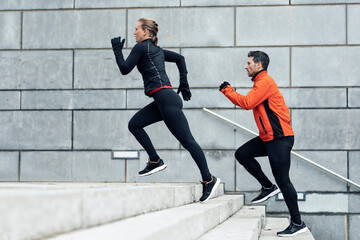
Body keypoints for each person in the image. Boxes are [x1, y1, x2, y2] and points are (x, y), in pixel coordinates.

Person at [111, 17, 220, 203]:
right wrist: (184, 82)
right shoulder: (155, 50)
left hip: (166, 100)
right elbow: (180, 59)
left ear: (146, 32)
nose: (134, 32)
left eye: (136, 29)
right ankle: (154, 160)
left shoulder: (141, 47)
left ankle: (208, 179)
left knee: (188, 141)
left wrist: (117, 51)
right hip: (164, 100)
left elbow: (124, 69)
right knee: (135, 124)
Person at [219, 51, 307, 237]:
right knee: (242, 154)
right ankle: (267, 187)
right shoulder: (260, 82)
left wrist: (228, 90)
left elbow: (247, 102)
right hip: (269, 137)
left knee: (283, 180)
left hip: (280, 138)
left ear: (258, 65)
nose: (246, 66)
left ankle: (298, 222)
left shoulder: (265, 82)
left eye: (249, 62)